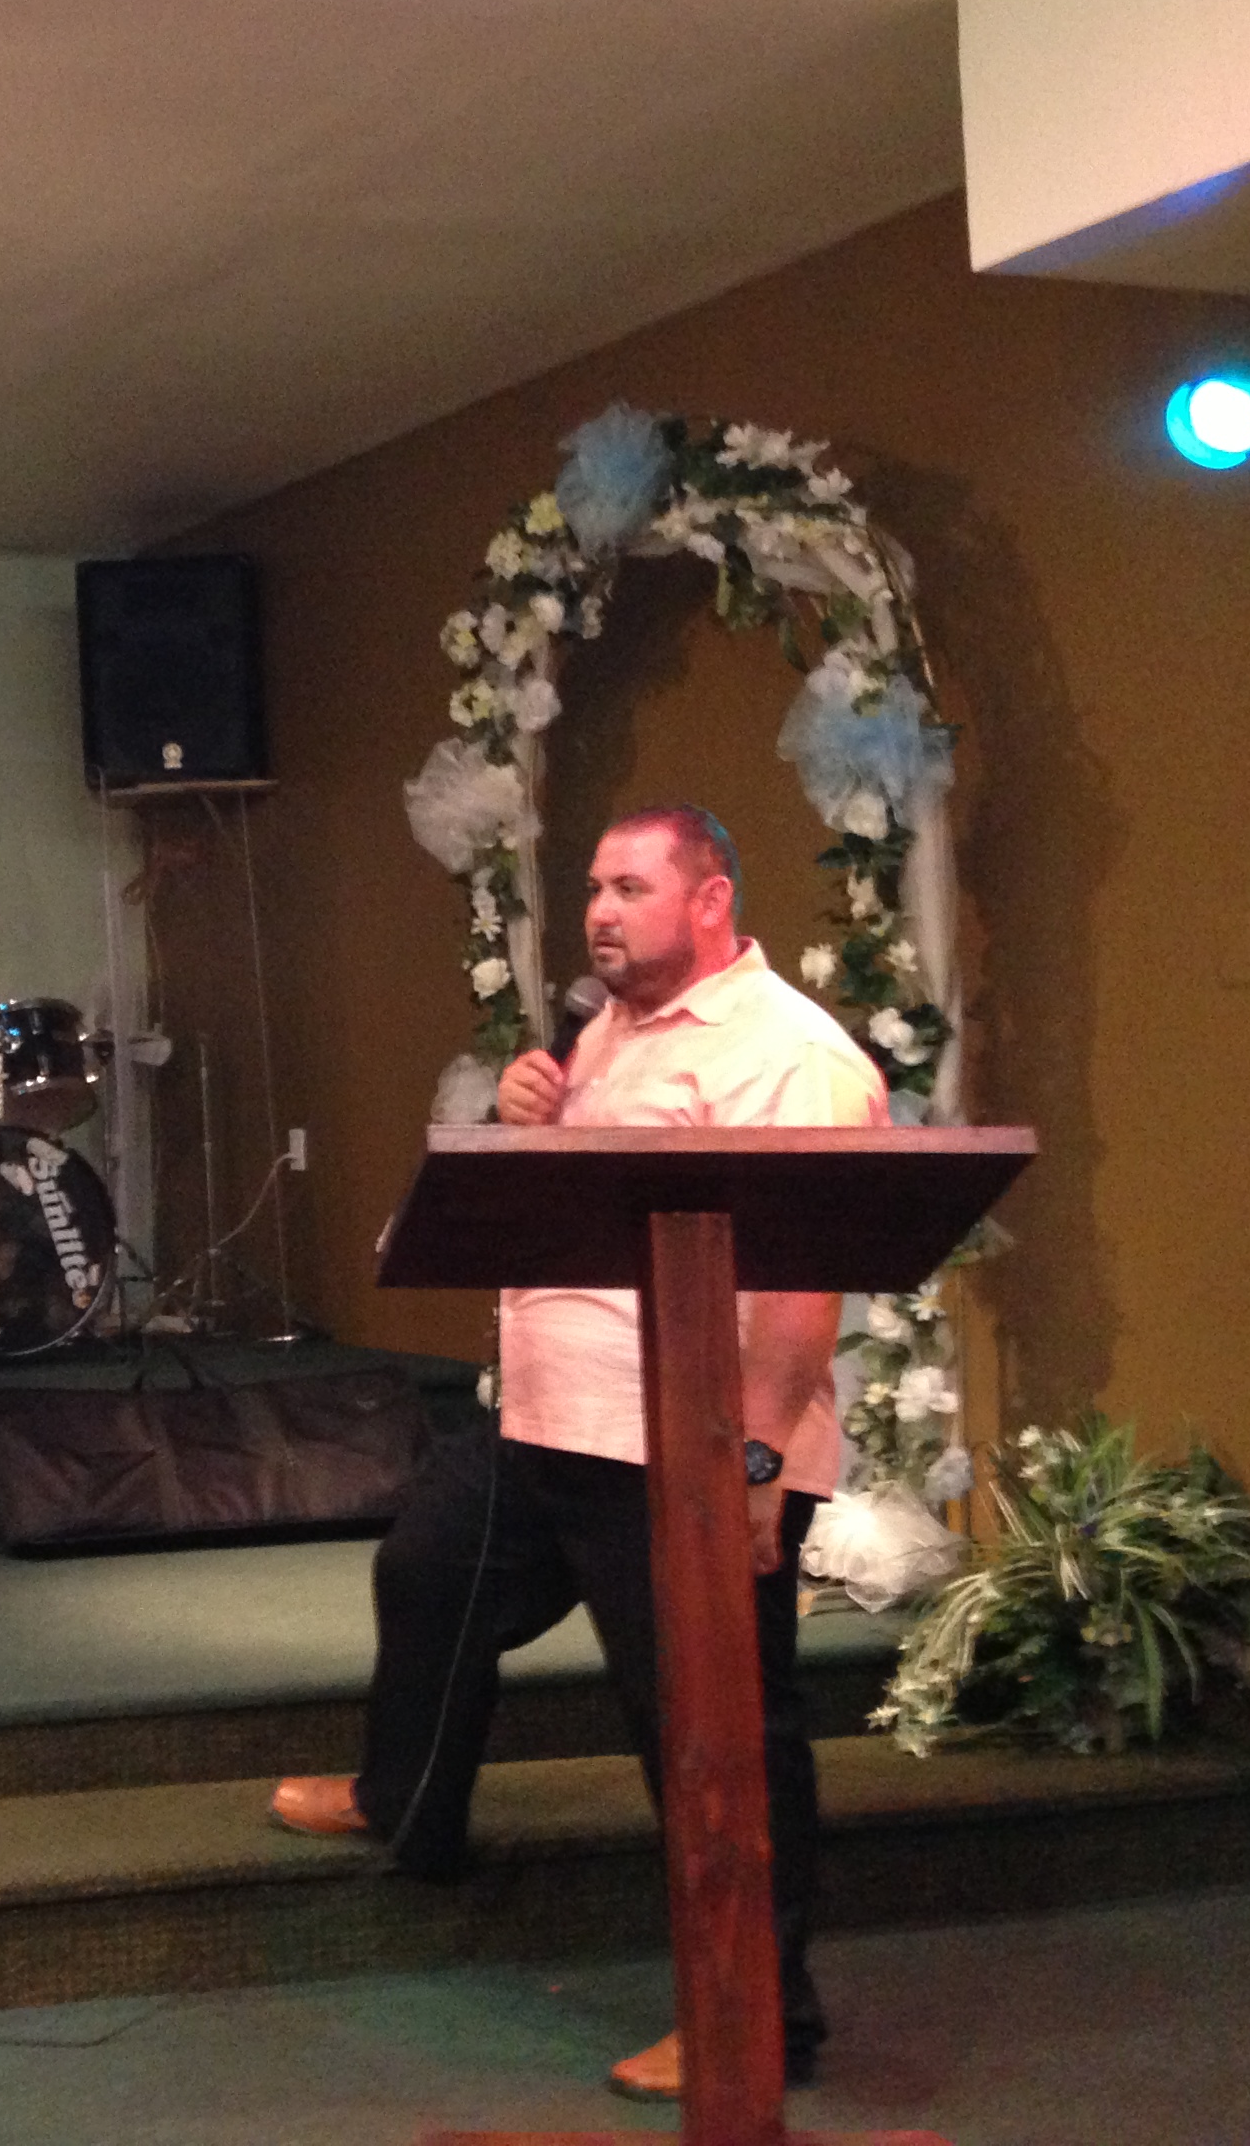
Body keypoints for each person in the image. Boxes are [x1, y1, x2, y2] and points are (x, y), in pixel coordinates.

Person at [268, 804, 886, 2103]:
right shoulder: (602, 1030)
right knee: (429, 1571)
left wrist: (757, 1464)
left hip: (693, 1453)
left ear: (711, 901)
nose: (599, 911)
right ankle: (406, 1801)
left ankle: (758, 2021)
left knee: (713, 1730)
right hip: (552, 1426)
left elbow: (803, 1286)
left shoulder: (791, 1055)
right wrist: (521, 1121)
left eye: (630, 889)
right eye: (595, 888)